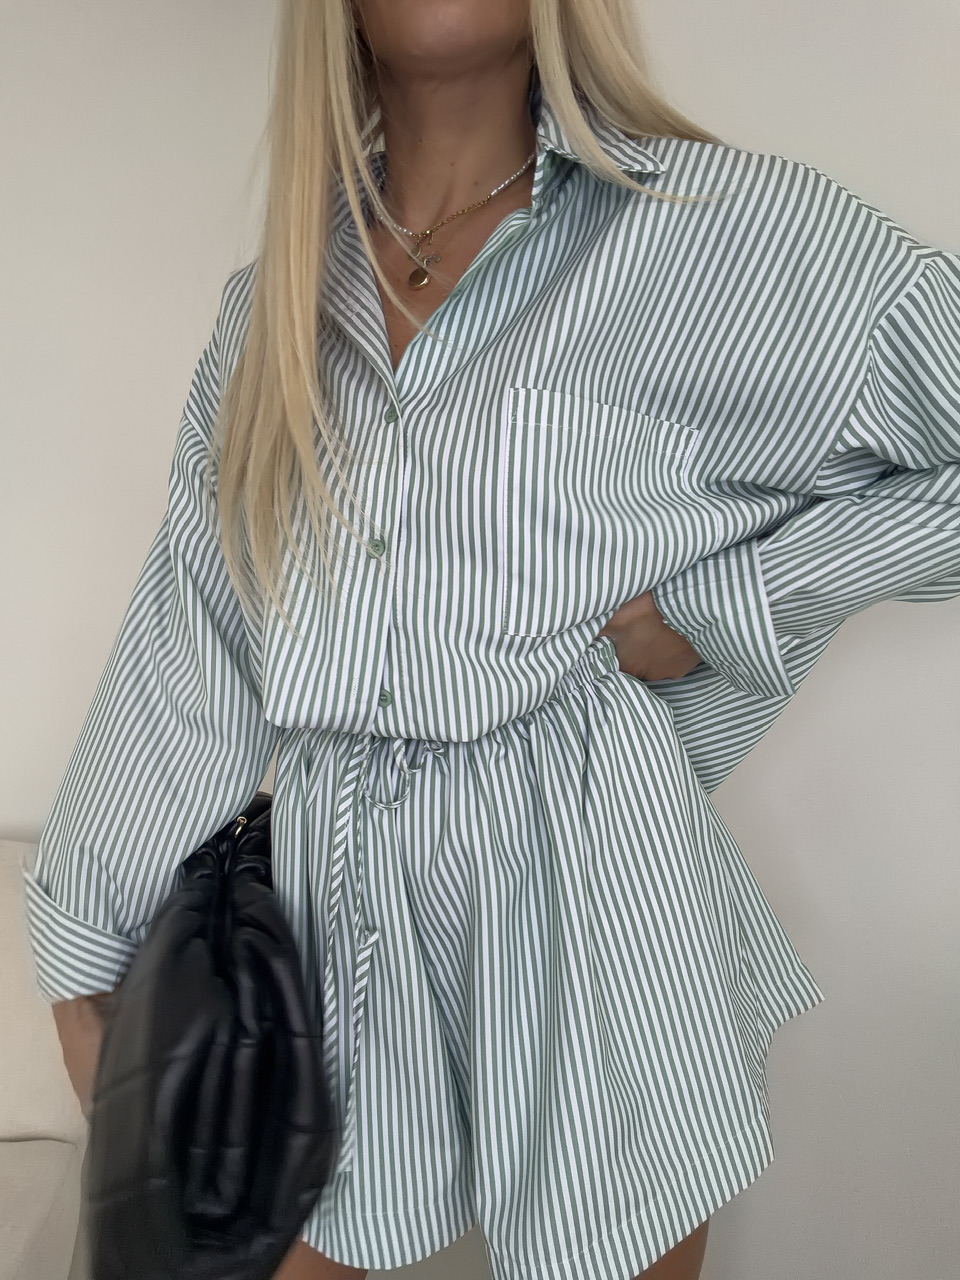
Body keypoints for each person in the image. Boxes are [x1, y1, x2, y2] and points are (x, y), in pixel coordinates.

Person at [26, 2, 960, 1279]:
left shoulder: (716, 233)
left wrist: (726, 601)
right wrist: (83, 952)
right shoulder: (273, 312)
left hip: (588, 898)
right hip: (329, 911)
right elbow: (193, 642)